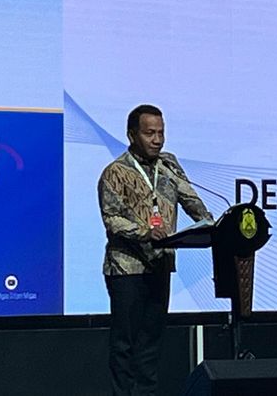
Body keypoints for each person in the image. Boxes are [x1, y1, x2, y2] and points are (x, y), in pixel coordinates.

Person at [98, 104, 213, 396]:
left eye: (161, 133)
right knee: (125, 345)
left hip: (160, 265)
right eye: (150, 133)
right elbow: (112, 220)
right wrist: (145, 233)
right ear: (132, 135)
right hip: (127, 268)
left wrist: (211, 223)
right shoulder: (115, 172)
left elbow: (190, 198)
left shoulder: (169, 165)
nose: (157, 140)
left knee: (151, 345)